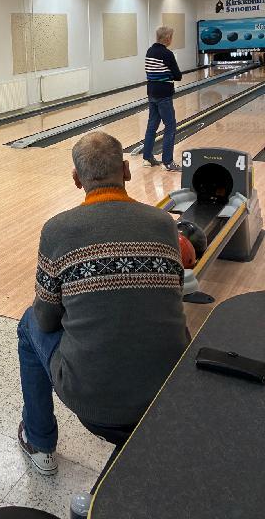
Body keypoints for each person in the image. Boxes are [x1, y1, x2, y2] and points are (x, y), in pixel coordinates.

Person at [17, 132, 189, 476]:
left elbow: (46, 320)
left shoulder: (57, 230)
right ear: (126, 170)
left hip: (94, 401)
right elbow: (174, 293)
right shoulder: (164, 225)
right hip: (170, 389)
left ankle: (40, 442)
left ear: (77, 179)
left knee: (28, 323)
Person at [142, 25, 183, 172]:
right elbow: (178, 75)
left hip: (152, 92)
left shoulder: (150, 51)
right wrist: (168, 75)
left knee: (152, 126)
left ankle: (147, 158)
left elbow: (151, 72)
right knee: (170, 126)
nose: (172, 39)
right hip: (164, 95)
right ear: (167, 38)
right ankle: (168, 162)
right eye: (171, 36)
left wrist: (163, 74)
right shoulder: (167, 54)